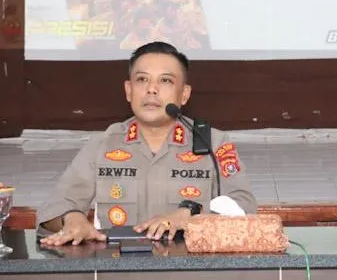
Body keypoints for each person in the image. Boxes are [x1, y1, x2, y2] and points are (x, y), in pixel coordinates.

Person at [37, 41, 257, 245]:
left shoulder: (213, 144)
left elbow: (244, 205)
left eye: (165, 80)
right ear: (128, 90)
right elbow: (53, 208)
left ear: (184, 94)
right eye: (142, 79)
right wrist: (71, 219)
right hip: (119, 265)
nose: (152, 89)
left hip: (189, 265)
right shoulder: (103, 144)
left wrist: (191, 215)